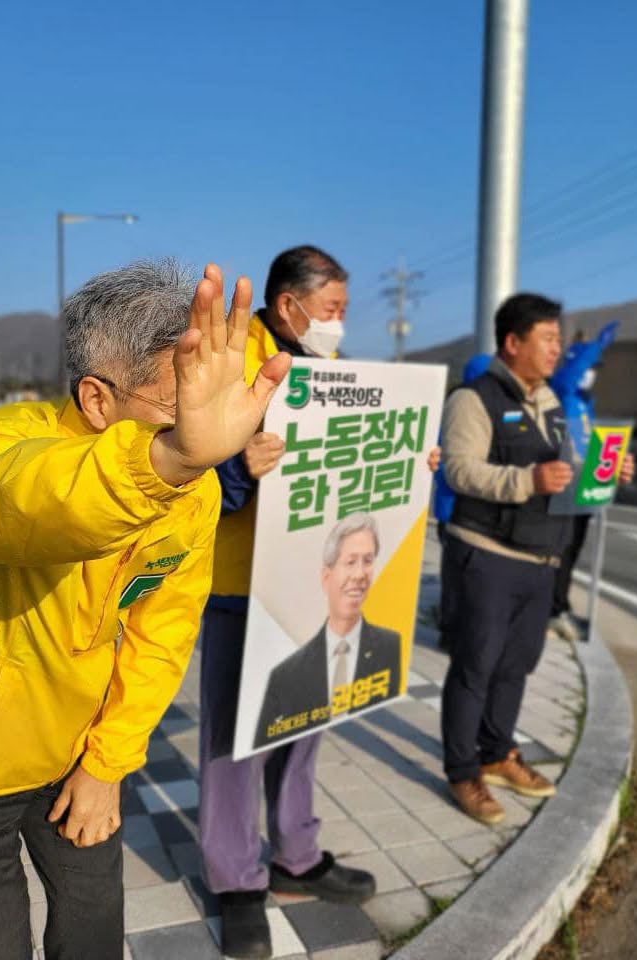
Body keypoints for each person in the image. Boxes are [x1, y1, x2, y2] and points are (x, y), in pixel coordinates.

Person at [0, 260, 290, 960]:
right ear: (97, 398)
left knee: (94, 921)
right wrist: (167, 460)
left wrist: (108, 763)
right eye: (179, 409)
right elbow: (22, 507)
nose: (206, 430)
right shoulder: (1, 443)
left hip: (79, 750)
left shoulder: (193, 491)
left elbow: (162, 635)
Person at [198, 245, 377, 960]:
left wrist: (409, 467)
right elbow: (185, 473)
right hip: (239, 583)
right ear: (287, 304)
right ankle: (236, 880)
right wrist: (239, 467)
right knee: (233, 740)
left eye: (343, 311)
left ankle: (296, 856)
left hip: (310, 580)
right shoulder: (229, 364)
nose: (338, 323)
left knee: (303, 721)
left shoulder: (331, 371)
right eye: (331, 309)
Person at [438, 294, 632, 826]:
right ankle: (463, 772)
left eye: (558, 339)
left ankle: (498, 753)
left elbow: (565, 466)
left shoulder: (550, 401)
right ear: (513, 343)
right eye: (547, 339)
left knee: (517, 664)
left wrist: (606, 469)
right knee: (475, 667)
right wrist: (528, 480)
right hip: (487, 555)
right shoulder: (473, 399)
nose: (557, 350)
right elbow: (460, 470)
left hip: (540, 557)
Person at [254, 512, 401, 749]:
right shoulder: (286, 673)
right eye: (350, 562)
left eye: (368, 561)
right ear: (326, 576)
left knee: (302, 755)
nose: (360, 575)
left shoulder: (390, 645)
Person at [547, 321, 619, 642]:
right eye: (590, 368)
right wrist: (594, 348)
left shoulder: (585, 402)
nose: (593, 374)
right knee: (560, 552)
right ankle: (552, 611)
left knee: (572, 550)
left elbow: (588, 441)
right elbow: (568, 376)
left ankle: (559, 606)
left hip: (581, 486)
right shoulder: (563, 390)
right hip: (563, 487)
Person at [432, 352, 492, 648]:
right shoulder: (458, 411)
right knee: (457, 578)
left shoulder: (479, 411)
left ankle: (459, 630)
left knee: (467, 579)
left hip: (469, 513)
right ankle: (450, 633)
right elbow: (444, 465)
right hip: (454, 511)